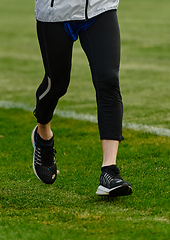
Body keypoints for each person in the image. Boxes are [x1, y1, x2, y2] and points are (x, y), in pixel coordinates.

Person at [31, 0, 133, 197]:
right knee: (56, 85)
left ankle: (109, 171)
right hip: (55, 12)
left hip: (99, 7)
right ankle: (43, 133)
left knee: (109, 80)